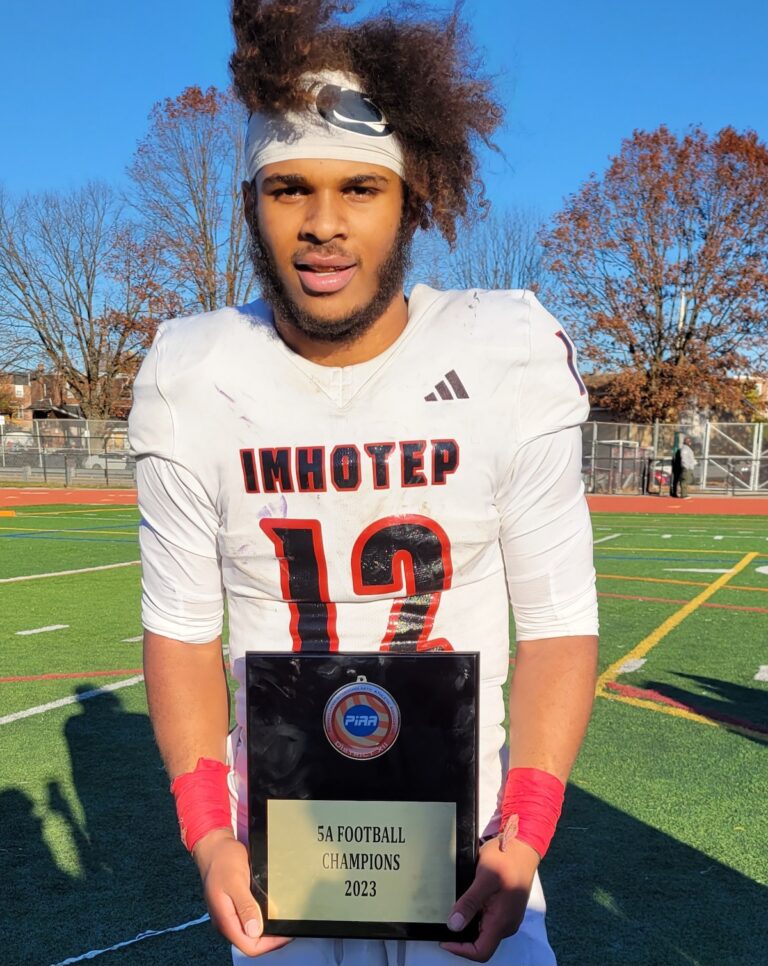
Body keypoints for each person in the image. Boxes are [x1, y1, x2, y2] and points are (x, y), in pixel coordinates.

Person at [128, 2, 599, 964]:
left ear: (412, 199)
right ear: (252, 202)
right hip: (281, 844)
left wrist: (526, 830)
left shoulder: (505, 353)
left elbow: (557, 623)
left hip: (472, 840)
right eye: (289, 188)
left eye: (360, 188)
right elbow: (180, 630)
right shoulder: (195, 371)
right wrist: (208, 833)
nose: (324, 225)